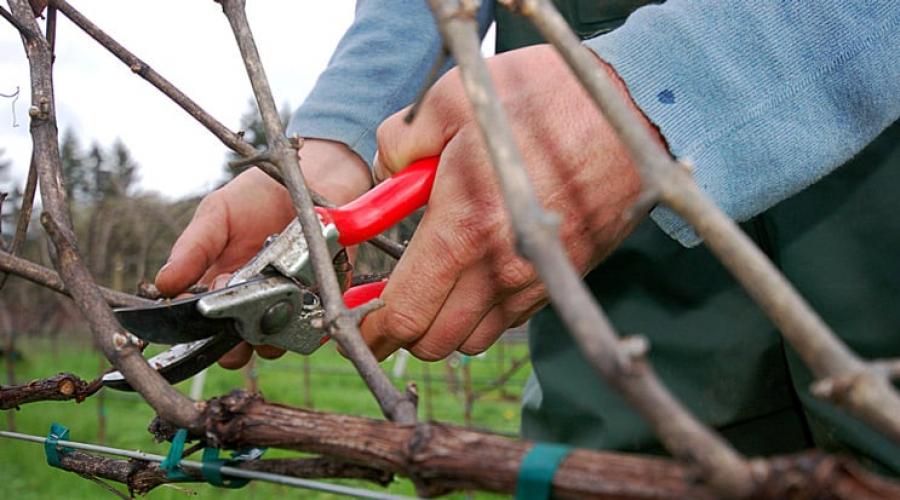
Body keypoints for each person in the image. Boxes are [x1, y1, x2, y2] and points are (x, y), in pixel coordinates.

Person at [155, 1, 900, 471]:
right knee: (613, 469)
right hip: (604, 252)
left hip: (875, 158)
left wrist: (668, 87)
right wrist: (336, 137)